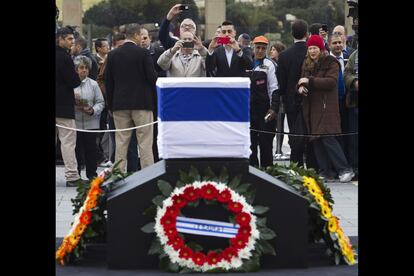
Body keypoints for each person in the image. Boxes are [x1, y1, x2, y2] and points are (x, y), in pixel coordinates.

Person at [297, 35, 354, 182]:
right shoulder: (306, 63)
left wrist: (309, 81)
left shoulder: (331, 62)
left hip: (327, 107)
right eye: (310, 48)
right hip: (311, 107)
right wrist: (300, 87)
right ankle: (324, 172)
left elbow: (331, 82)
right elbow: (301, 81)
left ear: (321, 48)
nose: (312, 51)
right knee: (316, 139)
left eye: (315, 48)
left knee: (328, 138)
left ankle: (345, 169)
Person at [267, 19, 318, 170]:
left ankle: (296, 166)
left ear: (291, 34)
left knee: (295, 135)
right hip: (311, 99)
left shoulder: (284, 56)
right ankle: (313, 166)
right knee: (310, 133)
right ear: (307, 34)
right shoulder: (312, 52)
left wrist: (283, 96)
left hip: (291, 102)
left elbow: (280, 82)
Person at [105, 23, 157, 172]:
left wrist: (111, 105)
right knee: (145, 143)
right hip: (142, 104)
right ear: (135, 35)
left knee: (121, 142)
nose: (142, 38)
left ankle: (117, 176)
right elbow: (152, 78)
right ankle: (149, 176)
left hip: (120, 105)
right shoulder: (143, 54)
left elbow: (109, 82)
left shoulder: (113, 54)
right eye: (141, 35)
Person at [56, 26, 82, 187]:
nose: (72, 42)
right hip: (63, 106)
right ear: (60, 39)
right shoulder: (64, 58)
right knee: (67, 142)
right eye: (70, 39)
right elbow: (74, 81)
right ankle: (72, 176)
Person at [248, 36, 278, 168]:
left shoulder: (270, 65)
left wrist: (273, 109)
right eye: (257, 47)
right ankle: (252, 171)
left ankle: (268, 171)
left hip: (265, 110)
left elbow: (274, 89)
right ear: (252, 47)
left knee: (266, 143)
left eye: (263, 48)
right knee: (250, 143)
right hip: (249, 111)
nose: (260, 50)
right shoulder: (247, 63)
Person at [73, 56, 105, 180]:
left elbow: (100, 102)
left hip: (91, 123)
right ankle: (76, 174)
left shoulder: (93, 84)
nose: (84, 70)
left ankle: (91, 174)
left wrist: (92, 110)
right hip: (75, 123)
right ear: (76, 69)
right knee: (76, 150)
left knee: (91, 150)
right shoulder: (71, 84)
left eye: (86, 68)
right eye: (81, 67)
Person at [268, 41, 287, 160]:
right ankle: (276, 149)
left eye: (274, 49)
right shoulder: (270, 64)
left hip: (281, 99)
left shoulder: (281, 65)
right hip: (273, 99)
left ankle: (278, 149)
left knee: (280, 124)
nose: (271, 51)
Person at [343, 49, 358, 178]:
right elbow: (346, 73)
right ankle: (355, 166)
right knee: (354, 137)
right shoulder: (355, 55)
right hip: (355, 102)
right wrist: (354, 82)